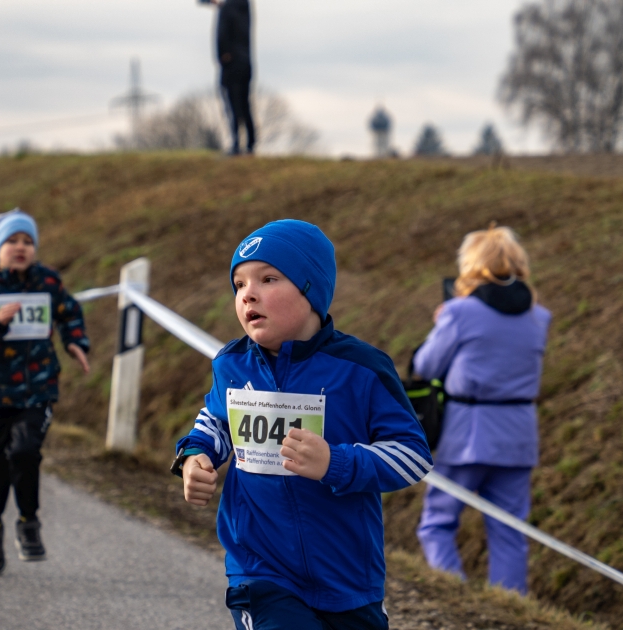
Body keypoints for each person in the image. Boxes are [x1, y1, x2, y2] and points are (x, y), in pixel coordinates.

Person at [173, 219, 432, 629]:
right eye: (239, 284)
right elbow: (218, 422)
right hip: (260, 569)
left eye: (268, 278)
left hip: (348, 576)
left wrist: (337, 462)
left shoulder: (362, 369)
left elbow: (412, 456)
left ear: (310, 289)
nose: (248, 294)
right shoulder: (232, 364)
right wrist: (196, 455)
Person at [412, 224, 551, 594]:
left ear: (472, 266)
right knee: (510, 531)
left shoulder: (459, 313)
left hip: (466, 433)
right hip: (518, 433)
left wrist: (442, 322)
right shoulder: (539, 317)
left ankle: (456, 599)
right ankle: (508, 611)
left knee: (437, 524)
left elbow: (426, 366)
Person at [0, 208, 90, 576]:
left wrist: (75, 340)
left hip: (38, 389)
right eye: (12, 241)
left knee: (27, 450)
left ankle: (29, 522)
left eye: (27, 241)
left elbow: (69, 310)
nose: (20, 247)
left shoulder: (47, 282)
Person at [213, 0, 255, 155]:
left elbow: (222, 35)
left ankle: (236, 143)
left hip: (230, 64)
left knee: (232, 104)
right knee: (245, 104)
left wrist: (222, 56)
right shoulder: (245, 6)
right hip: (246, 62)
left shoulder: (227, 9)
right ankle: (251, 144)